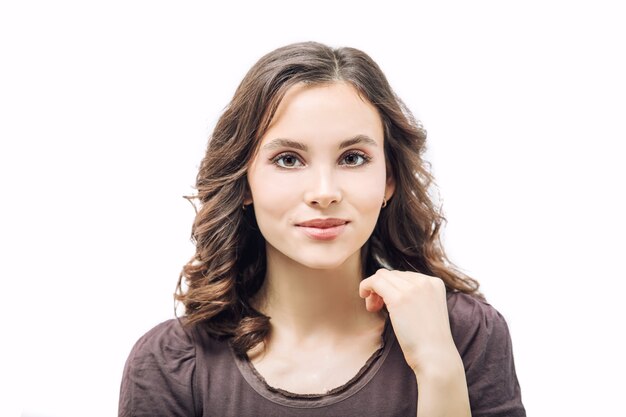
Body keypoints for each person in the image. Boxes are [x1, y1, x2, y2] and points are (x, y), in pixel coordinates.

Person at [118, 41, 525, 417]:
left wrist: (438, 369)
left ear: (389, 179)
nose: (324, 192)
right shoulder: (171, 364)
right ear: (245, 183)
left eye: (352, 158)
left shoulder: (464, 333)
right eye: (289, 160)